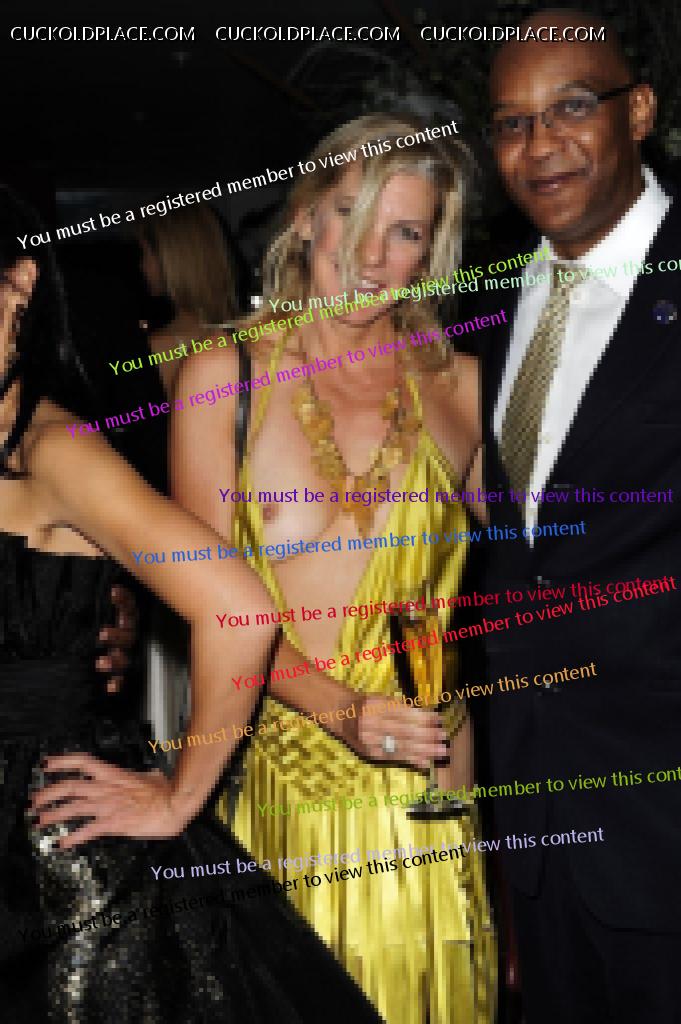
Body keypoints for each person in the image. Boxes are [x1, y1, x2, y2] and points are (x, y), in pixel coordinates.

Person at [0, 184, 410, 1022]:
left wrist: (180, 796)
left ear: (20, 285)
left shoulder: (54, 452)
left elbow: (240, 612)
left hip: (52, 860)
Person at [171, 112, 497, 1024]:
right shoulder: (221, 377)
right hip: (281, 793)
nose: (370, 256)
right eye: (351, 214)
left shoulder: (465, 388)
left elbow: (551, 566)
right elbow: (214, 611)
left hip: (427, 800)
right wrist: (340, 710)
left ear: (432, 251)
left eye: (405, 231)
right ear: (305, 215)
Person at [477, 10, 681, 1022]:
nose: (539, 145)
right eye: (511, 122)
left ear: (636, 111)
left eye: (569, 107)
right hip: (533, 824)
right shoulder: (478, 303)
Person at [138, 205, 238, 396]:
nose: (142, 266)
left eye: (145, 254)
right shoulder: (254, 335)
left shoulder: (159, 348)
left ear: (169, 259)